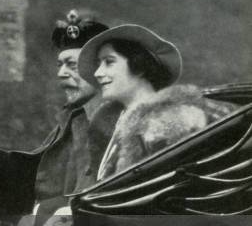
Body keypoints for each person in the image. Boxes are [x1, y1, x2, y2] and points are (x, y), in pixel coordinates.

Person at [0, 9, 120, 226]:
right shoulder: (75, 118)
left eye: (72, 65)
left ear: (99, 68)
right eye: (59, 65)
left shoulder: (121, 120)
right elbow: (39, 174)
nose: (61, 74)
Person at [77, 24, 236, 179]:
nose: (98, 73)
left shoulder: (172, 119)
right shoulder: (113, 121)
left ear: (138, 65)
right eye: (99, 64)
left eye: (109, 62)